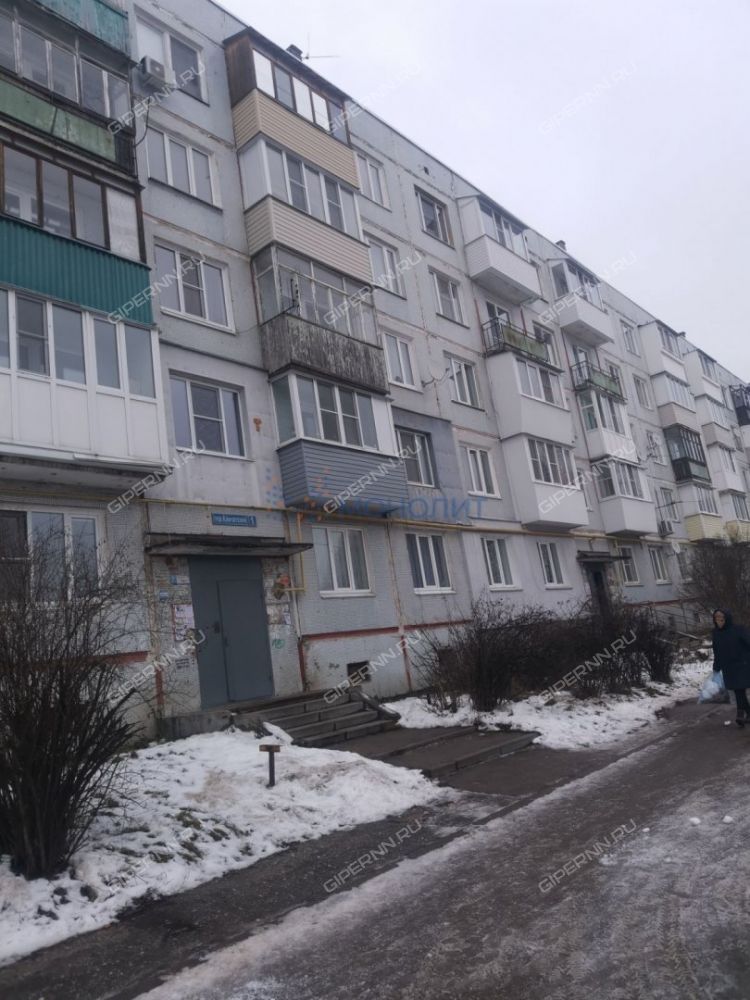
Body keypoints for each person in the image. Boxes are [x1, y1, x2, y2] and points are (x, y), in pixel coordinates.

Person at [712, 609, 750, 727]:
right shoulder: (715, 633)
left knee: (739, 690)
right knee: (738, 691)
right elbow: (717, 651)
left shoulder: (739, 629)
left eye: (721, 617)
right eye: (716, 618)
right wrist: (716, 667)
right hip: (728, 668)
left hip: (742, 665)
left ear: (726, 618)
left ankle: (740, 715)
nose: (719, 620)